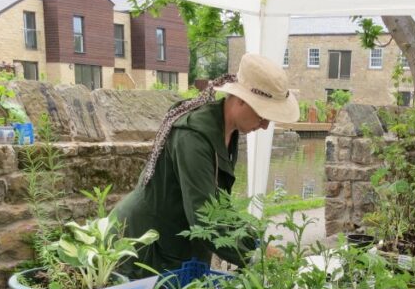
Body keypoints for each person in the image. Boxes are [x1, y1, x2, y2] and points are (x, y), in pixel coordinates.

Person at [113, 52, 300, 274]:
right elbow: (205, 219)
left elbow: (219, 206)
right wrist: (255, 258)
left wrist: (257, 242)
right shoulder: (193, 137)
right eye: (262, 115)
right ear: (241, 100)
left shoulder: (227, 132)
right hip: (142, 244)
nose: (265, 125)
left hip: (176, 243)